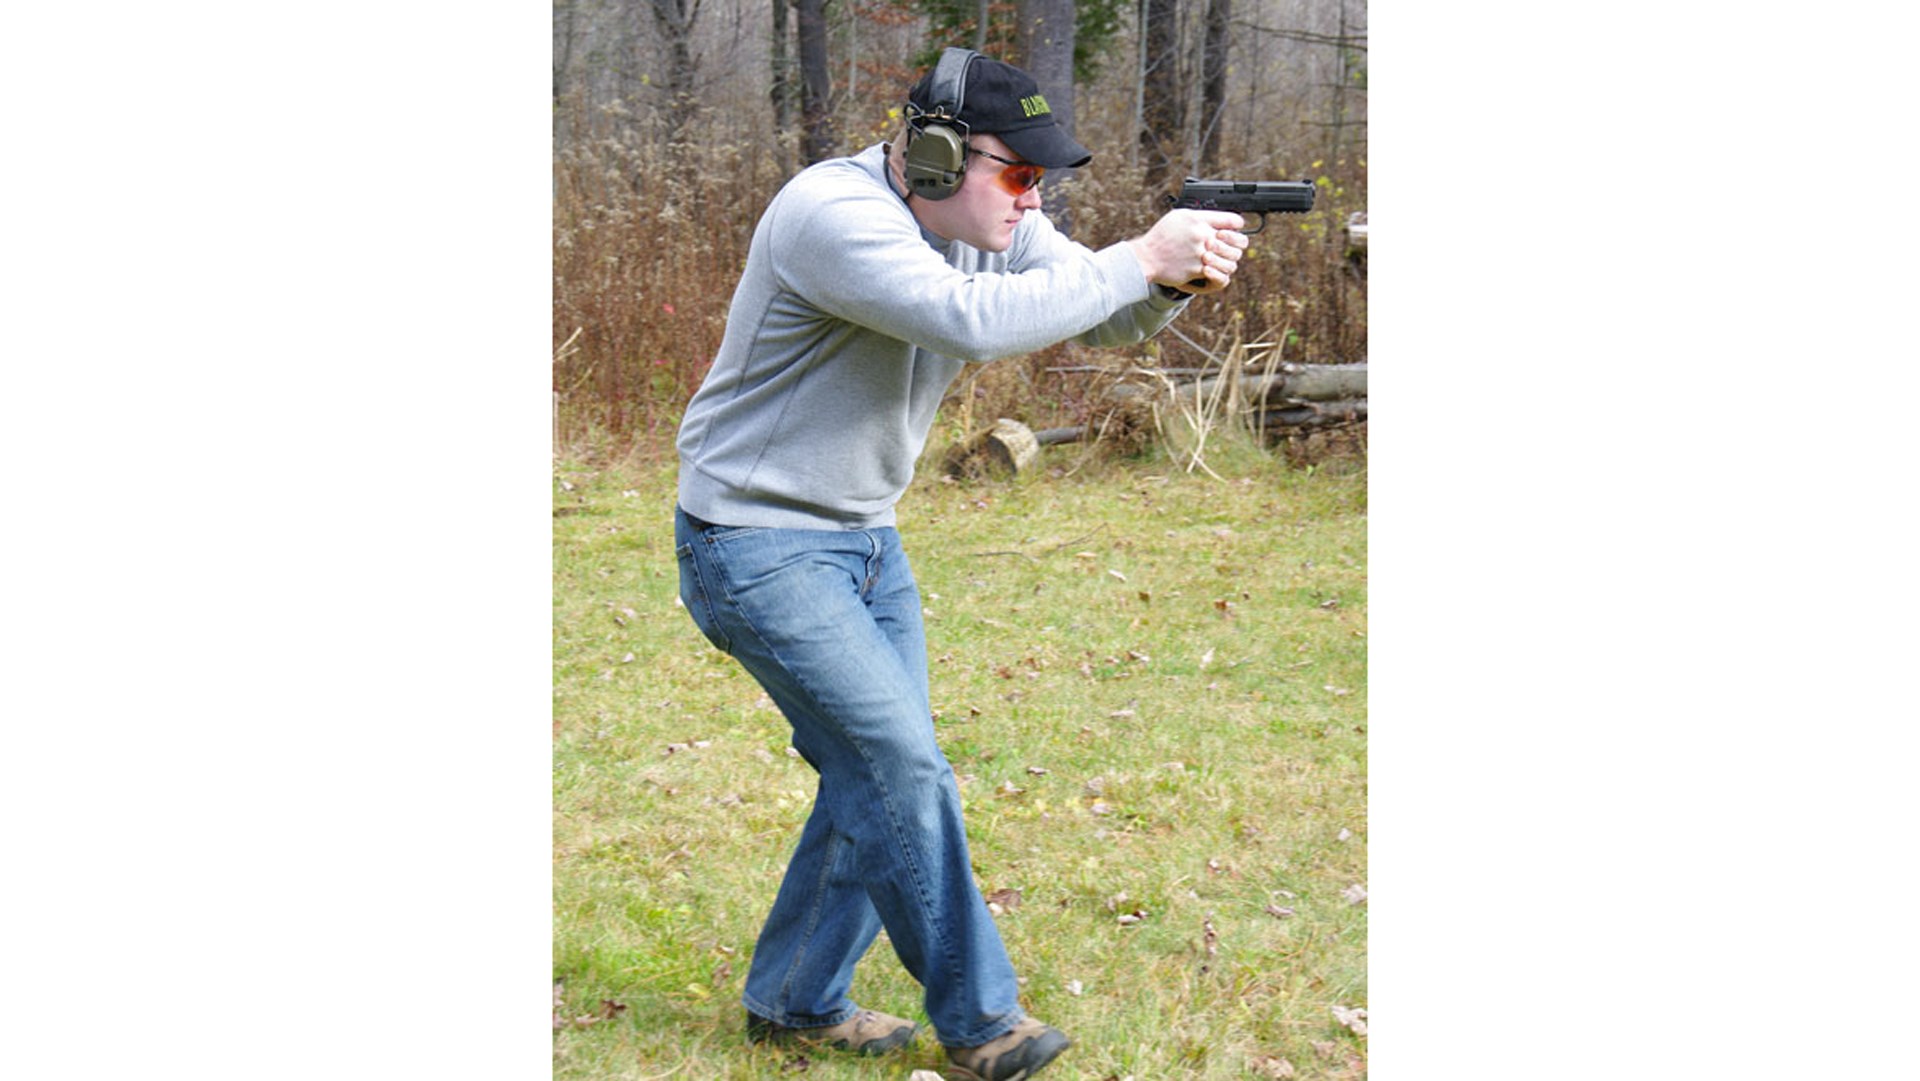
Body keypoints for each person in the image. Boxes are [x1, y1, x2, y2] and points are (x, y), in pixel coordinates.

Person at [671, 47, 1247, 1081]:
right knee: (899, 767)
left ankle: (794, 999)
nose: (1033, 199)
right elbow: (968, 324)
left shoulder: (990, 220)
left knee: (876, 773)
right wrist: (1136, 253)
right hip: (753, 542)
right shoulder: (830, 216)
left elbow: (1098, 305)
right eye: (1018, 175)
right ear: (934, 156)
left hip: (865, 542)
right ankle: (984, 1024)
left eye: (1043, 181)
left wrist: (1173, 278)